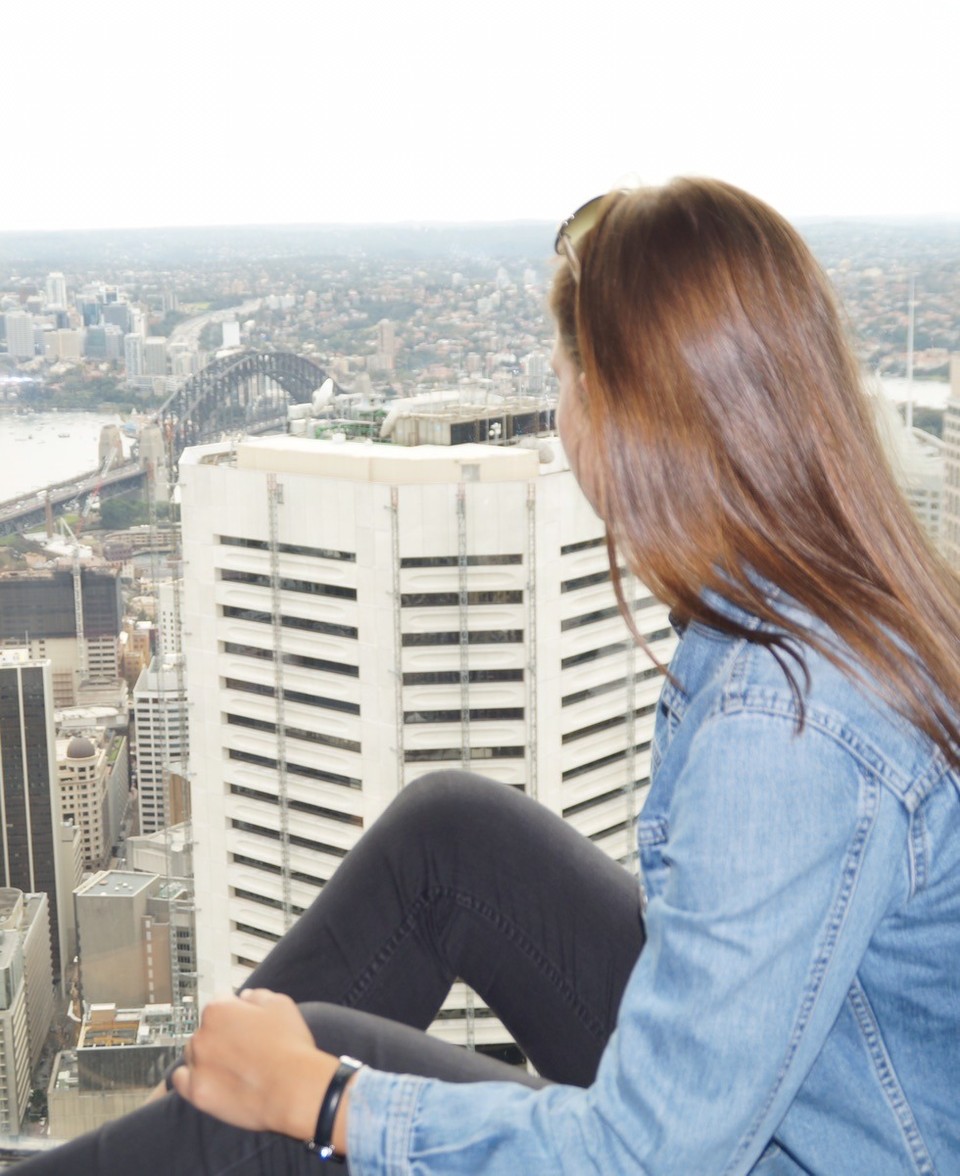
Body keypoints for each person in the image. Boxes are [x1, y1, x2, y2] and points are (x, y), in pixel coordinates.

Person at [16, 179, 960, 1174]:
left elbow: (645, 1160)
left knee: (287, 1104)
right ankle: (222, 1102)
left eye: (564, 376)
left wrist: (327, 1100)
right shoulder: (815, 594)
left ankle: (225, 1121)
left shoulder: (788, 720)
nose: (558, 412)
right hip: (829, 1099)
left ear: (629, 415)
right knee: (449, 840)